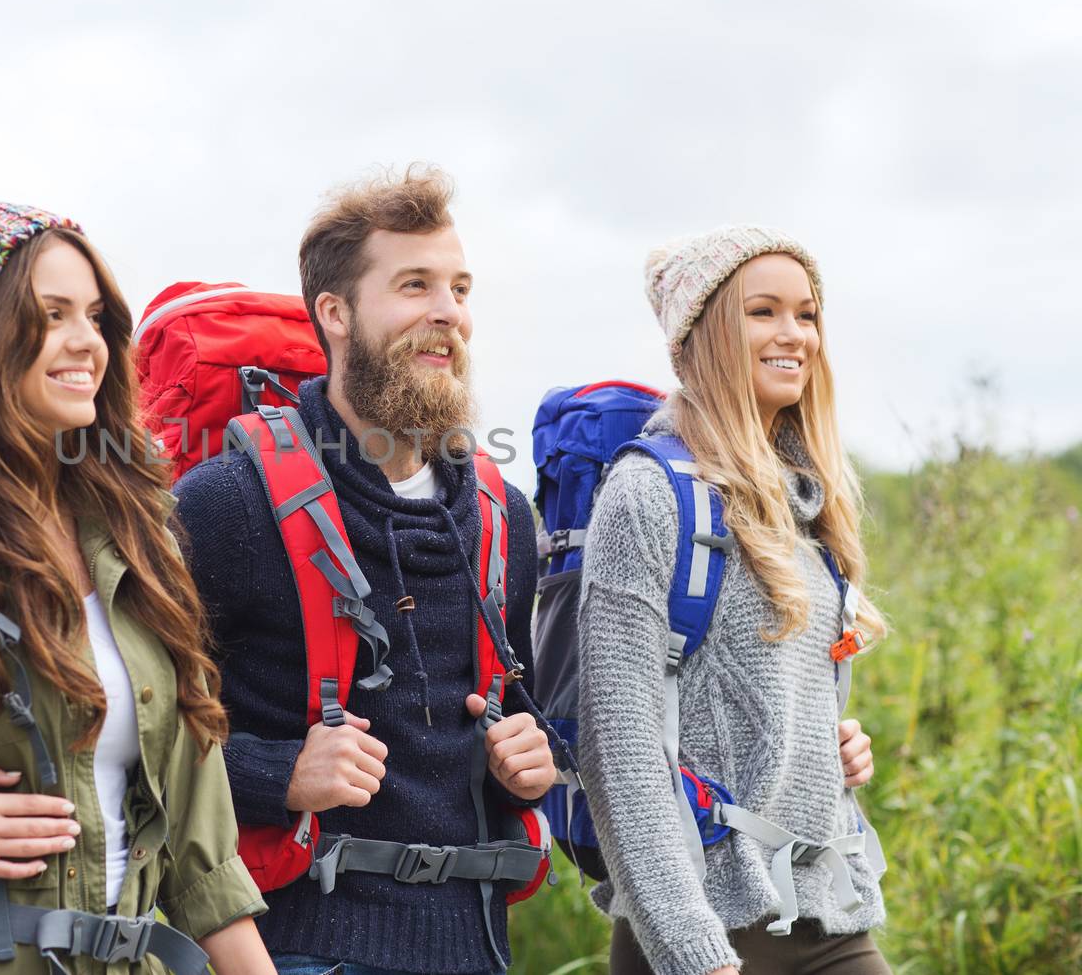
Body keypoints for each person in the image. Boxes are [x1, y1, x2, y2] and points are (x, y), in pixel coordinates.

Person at [173, 167, 556, 975]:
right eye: (414, 285)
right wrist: (278, 772)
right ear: (335, 313)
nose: (448, 312)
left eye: (458, 287)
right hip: (296, 946)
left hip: (476, 944)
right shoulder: (227, 503)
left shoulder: (502, 514)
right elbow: (144, 734)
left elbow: (504, 699)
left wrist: (530, 753)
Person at [0, 202, 274, 974]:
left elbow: (200, 839)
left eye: (94, 316)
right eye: (50, 314)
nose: (84, 341)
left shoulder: (138, 527)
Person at [578, 226, 889, 975]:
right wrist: (692, 950)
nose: (795, 335)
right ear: (707, 333)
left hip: (828, 911)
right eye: (764, 312)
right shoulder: (647, 495)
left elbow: (756, 692)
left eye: (807, 314)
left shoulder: (809, 503)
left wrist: (822, 748)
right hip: (706, 929)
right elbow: (619, 752)